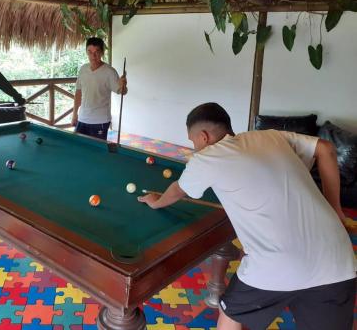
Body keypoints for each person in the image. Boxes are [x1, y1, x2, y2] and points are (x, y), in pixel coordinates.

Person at [138, 102, 355, 330]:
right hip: (338, 259)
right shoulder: (270, 136)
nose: (194, 148)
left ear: (203, 137)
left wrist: (157, 202)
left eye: (193, 142)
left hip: (277, 262)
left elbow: (177, 190)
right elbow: (326, 149)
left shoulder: (207, 157)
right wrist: (336, 210)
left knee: (230, 316)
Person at [71, 37, 127, 140]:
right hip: (82, 118)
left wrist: (123, 84)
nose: (93, 56)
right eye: (90, 52)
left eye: (97, 51)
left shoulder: (110, 71)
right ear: (86, 52)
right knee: (78, 148)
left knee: (96, 153)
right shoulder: (83, 69)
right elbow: (78, 92)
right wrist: (75, 114)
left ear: (102, 52)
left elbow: (121, 91)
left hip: (100, 121)